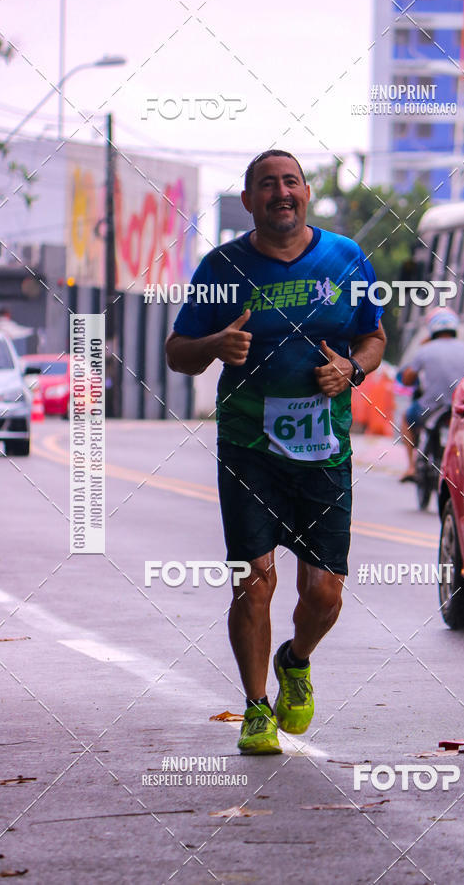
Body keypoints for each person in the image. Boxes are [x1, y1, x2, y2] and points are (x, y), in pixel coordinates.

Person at [165, 150, 386, 754]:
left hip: (324, 450)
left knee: (323, 593)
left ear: (307, 192)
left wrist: (352, 368)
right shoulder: (222, 265)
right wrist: (216, 342)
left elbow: (373, 337)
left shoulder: (346, 258)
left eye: (290, 182)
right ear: (249, 201)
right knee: (253, 582)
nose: (281, 193)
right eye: (268, 185)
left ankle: (297, 658)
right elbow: (176, 351)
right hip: (248, 446)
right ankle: (256, 707)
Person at [398, 308, 464, 482]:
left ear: (432, 329)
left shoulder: (425, 350)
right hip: (459, 409)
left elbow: (407, 379)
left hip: (429, 408)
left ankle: (411, 467)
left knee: (406, 418)